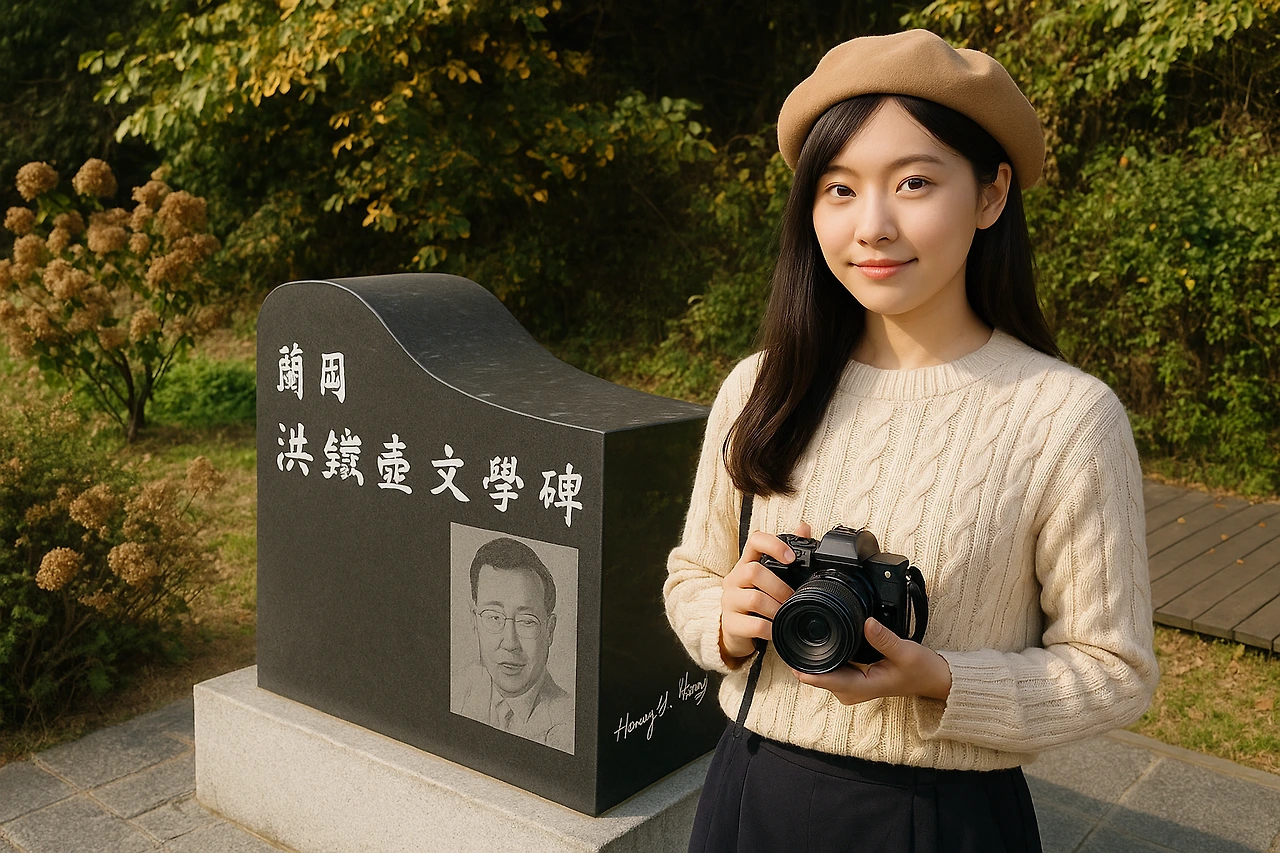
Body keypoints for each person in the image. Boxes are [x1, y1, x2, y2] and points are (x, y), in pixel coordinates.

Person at [663, 29, 1159, 853]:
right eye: (839, 188)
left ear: (991, 195)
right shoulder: (761, 386)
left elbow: (1116, 669)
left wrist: (944, 679)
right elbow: (692, 573)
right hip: (750, 791)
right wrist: (726, 617)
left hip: (942, 817)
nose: (873, 226)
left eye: (914, 182)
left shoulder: (1066, 417)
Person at [452, 536, 574, 753]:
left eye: (527, 621)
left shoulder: (570, 724)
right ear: (474, 620)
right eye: (494, 617)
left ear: (550, 630)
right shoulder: (457, 690)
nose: (510, 643)